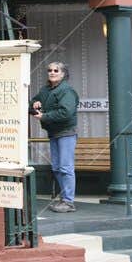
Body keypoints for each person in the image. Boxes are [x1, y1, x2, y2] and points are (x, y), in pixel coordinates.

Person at [32, 61, 79, 212]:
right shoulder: (45, 90)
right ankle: (64, 198)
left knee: (65, 167)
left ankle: (68, 202)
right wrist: (35, 103)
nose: (52, 73)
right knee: (57, 168)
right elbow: (32, 101)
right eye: (50, 70)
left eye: (56, 71)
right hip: (53, 133)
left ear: (63, 74)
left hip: (66, 133)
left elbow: (66, 112)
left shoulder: (66, 91)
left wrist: (44, 116)